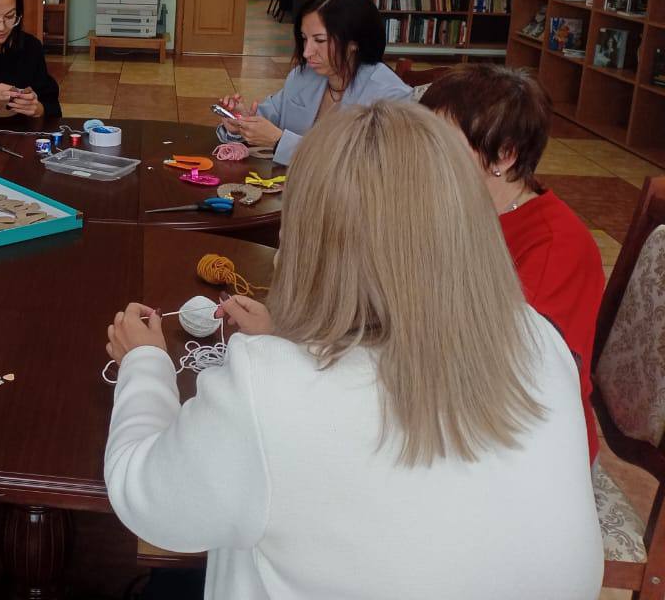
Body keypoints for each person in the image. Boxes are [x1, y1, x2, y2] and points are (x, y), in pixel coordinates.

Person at [104, 101, 602, 600]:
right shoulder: (542, 340)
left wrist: (145, 364)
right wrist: (288, 343)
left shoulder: (269, 391)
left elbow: (149, 500)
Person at [422, 64, 603, 462]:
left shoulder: (555, 247)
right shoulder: (465, 207)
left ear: (504, 154)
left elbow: (510, 375)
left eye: (442, 143)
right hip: (463, 404)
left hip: (531, 444)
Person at [217, 0, 410, 165]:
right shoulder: (303, 77)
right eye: (304, 39)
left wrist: (279, 141)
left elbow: (361, 165)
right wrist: (241, 122)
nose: (306, 52)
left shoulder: (392, 97)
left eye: (320, 40)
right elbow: (268, 118)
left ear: (354, 43)